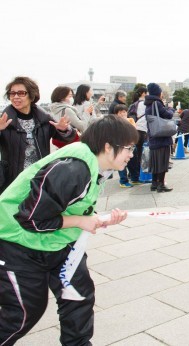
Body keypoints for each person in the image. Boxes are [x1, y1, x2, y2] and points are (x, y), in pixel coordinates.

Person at [0, 115, 134, 345]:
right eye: (128, 148)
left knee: (79, 298)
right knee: (24, 312)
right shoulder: (73, 168)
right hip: (17, 243)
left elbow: (71, 206)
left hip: (58, 242)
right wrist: (81, 221)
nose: (131, 154)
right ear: (108, 146)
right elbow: (31, 218)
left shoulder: (93, 165)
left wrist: (97, 219)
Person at [0, 77, 75, 194]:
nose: (15, 97)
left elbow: (66, 138)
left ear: (32, 95)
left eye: (21, 93)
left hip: (38, 178)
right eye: (12, 93)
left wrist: (65, 129)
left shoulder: (44, 119)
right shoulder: (4, 120)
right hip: (13, 180)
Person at [144, 83, 174, 192]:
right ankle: (161, 185)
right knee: (162, 162)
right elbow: (168, 115)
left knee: (155, 162)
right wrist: (170, 108)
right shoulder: (157, 103)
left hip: (153, 137)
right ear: (158, 93)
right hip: (162, 137)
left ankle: (154, 184)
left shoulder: (148, 104)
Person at [113, 103, 138, 188]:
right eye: (120, 113)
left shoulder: (130, 120)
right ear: (116, 114)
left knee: (133, 163)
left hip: (131, 145)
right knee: (122, 164)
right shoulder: (115, 122)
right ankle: (123, 181)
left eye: (124, 112)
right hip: (120, 146)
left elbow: (134, 129)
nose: (122, 114)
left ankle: (135, 179)